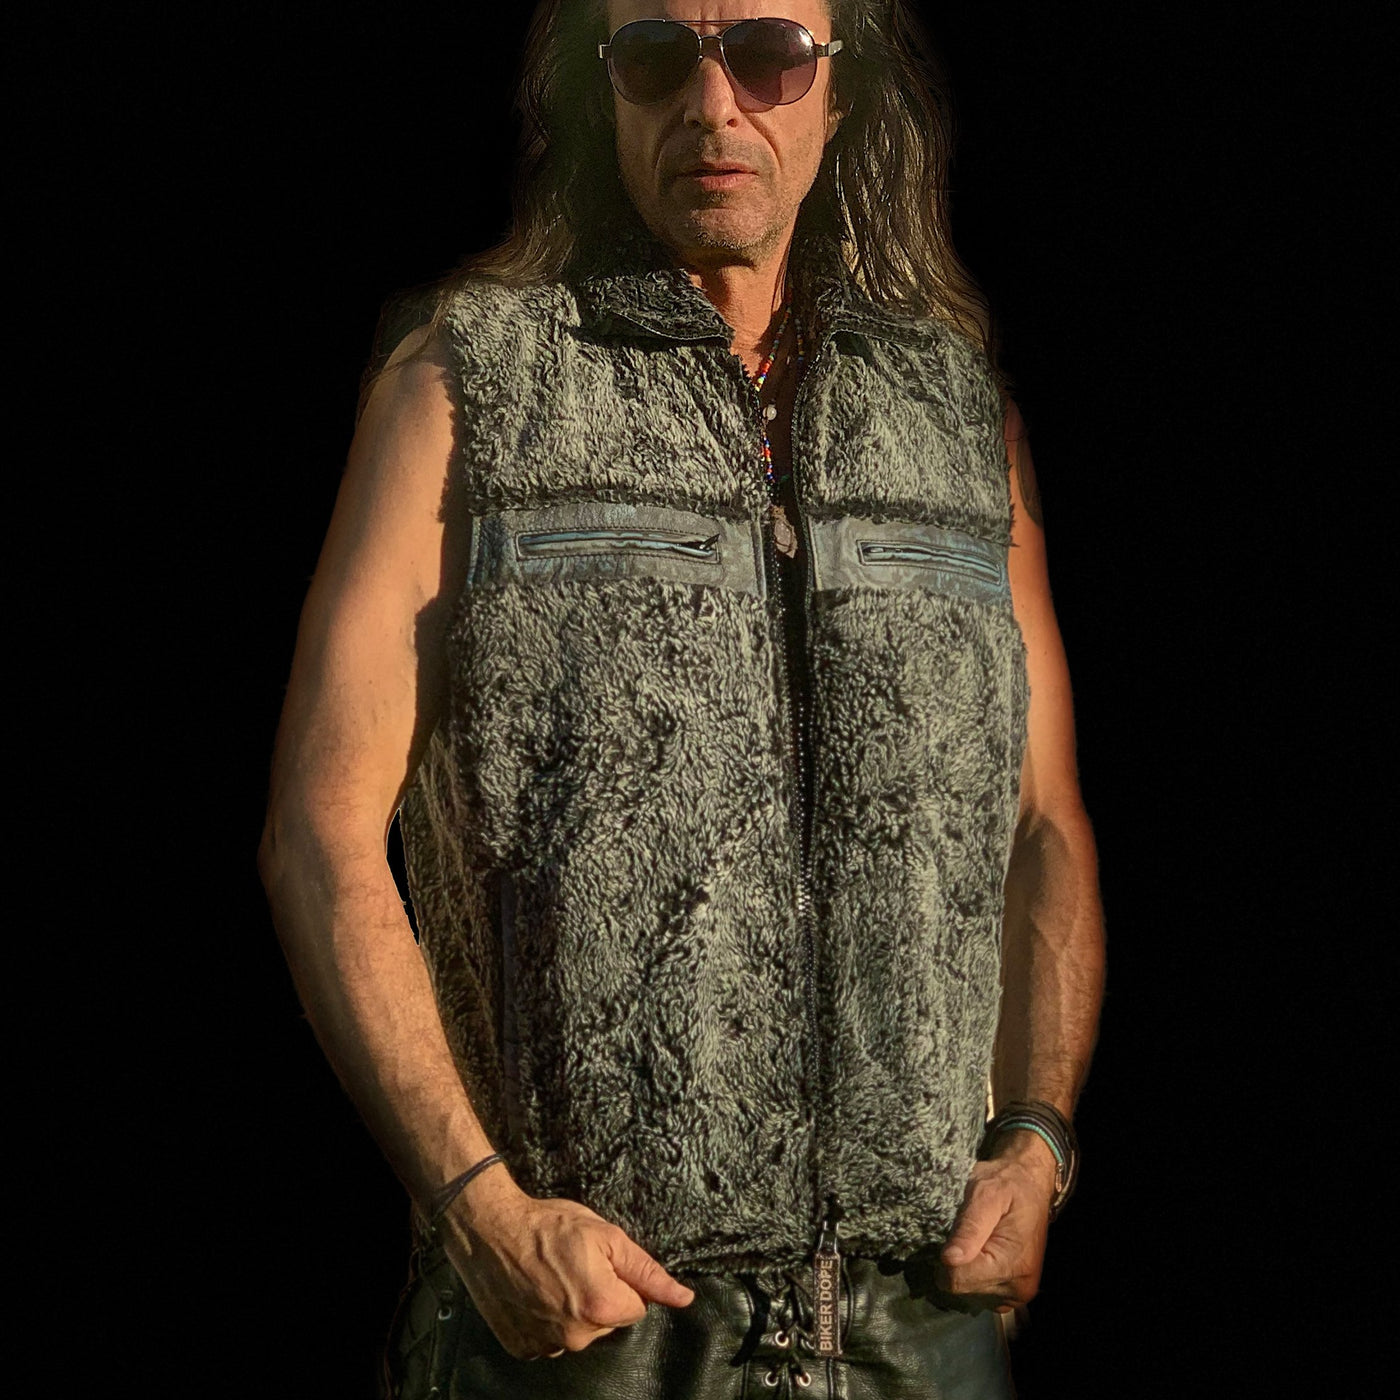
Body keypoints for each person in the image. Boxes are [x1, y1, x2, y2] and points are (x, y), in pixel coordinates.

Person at [258, 1, 1106, 1395]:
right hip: (590, 1329)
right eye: (659, 56)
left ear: (840, 88)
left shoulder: (956, 419)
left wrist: (1036, 1140)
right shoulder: (472, 387)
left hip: (914, 1328)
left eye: (768, 55)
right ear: (604, 90)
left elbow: (1042, 823)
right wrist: (477, 1208)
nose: (714, 104)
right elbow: (321, 827)